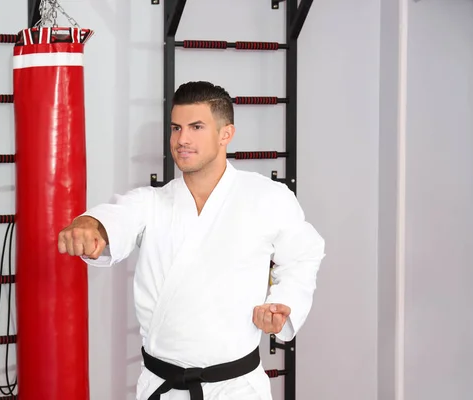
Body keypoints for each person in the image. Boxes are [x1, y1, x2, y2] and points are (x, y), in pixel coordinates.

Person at [57, 81, 326, 400]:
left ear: (226, 134)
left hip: (236, 389)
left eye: (196, 127)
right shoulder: (151, 202)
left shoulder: (267, 197)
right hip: (163, 387)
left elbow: (304, 255)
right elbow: (117, 218)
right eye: (176, 128)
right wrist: (92, 225)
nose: (182, 139)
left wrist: (283, 304)